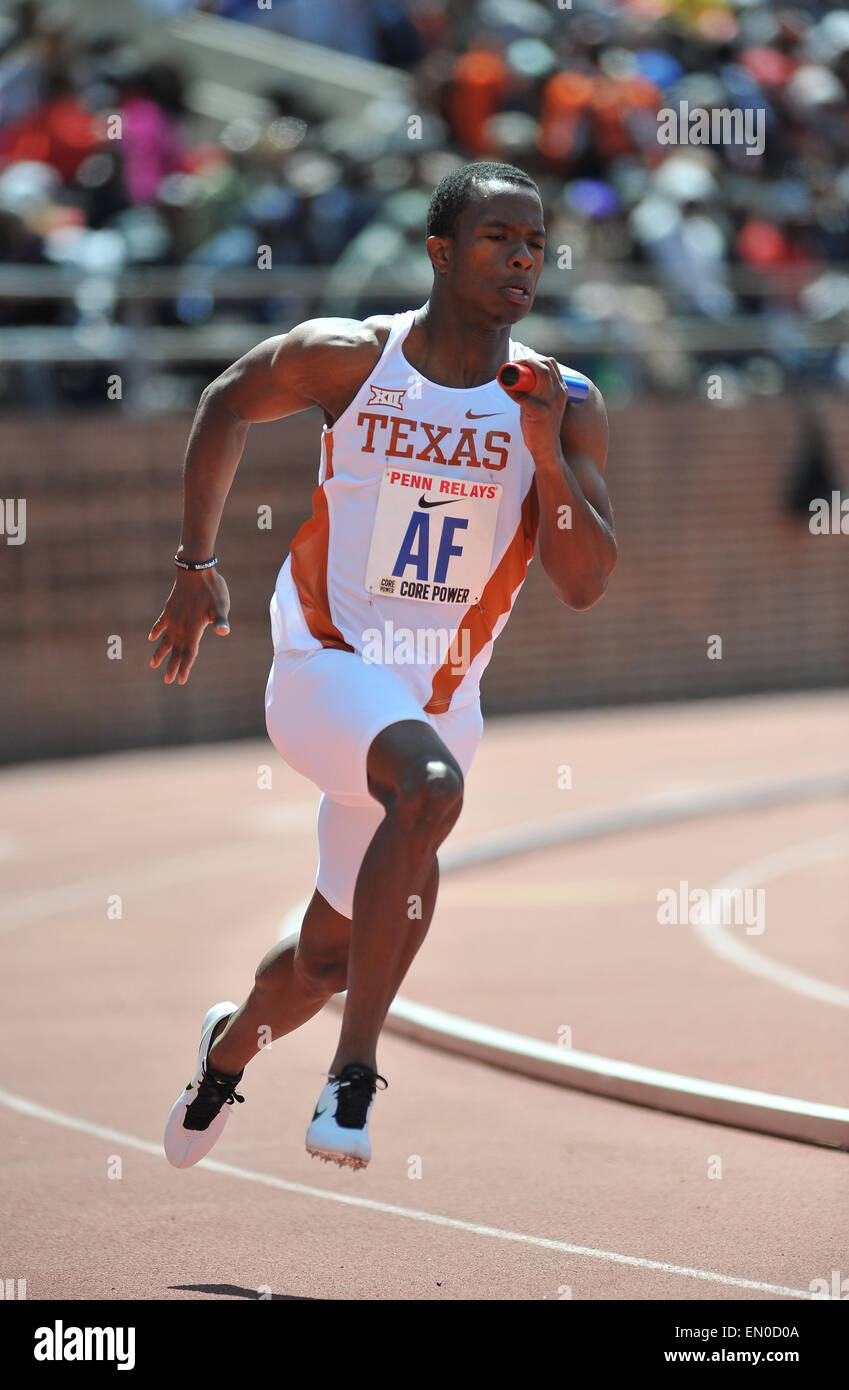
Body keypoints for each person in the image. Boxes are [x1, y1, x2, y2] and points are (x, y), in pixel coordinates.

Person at [149, 160, 616, 1172]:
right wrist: (196, 566)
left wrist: (540, 454)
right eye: (498, 238)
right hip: (325, 667)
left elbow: (583, 581)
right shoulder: (353, 361)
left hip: (437, 700)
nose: (522, 258)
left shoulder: (562, 399)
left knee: (322, 956)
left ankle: (225, 1049)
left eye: (535, 242)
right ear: (441, 251)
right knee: (431, 790)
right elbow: (228, 400)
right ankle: (352, 1079)